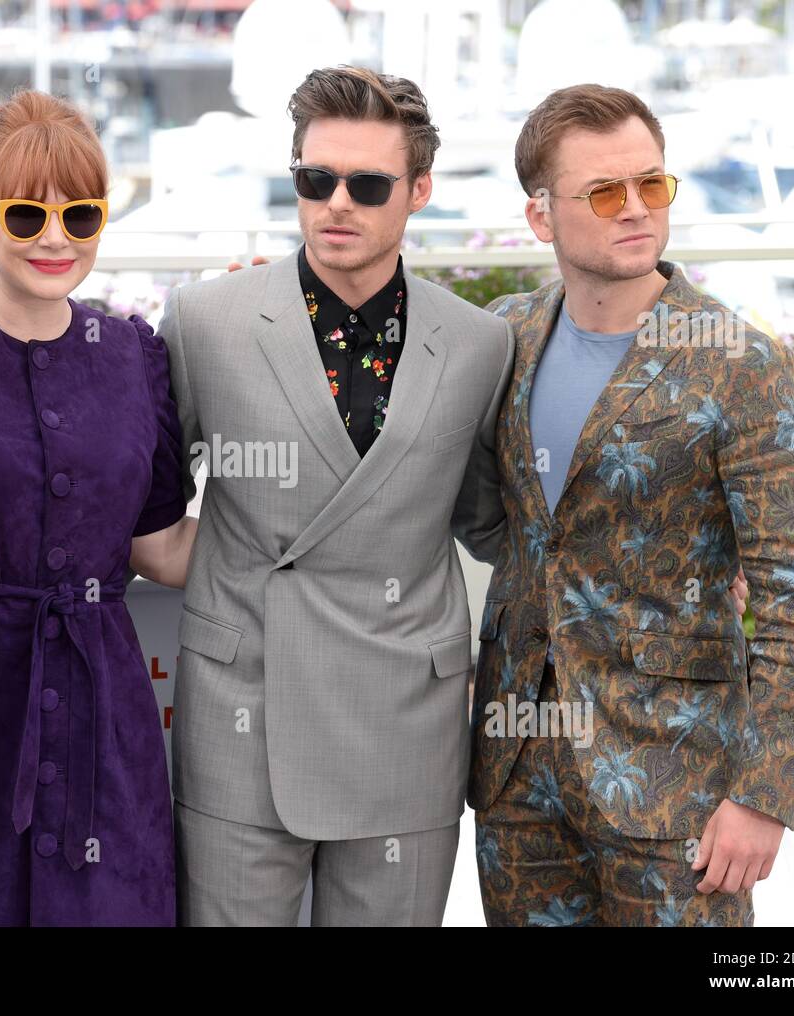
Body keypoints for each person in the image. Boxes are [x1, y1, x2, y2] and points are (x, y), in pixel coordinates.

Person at [469, 84, 794, 926]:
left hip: (679, 790)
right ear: (541, 218)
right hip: (518, 782)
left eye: (653, 185)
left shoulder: (741, 363)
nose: (635, 209)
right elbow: (476, 508)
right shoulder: (505, 337)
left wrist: (764, 794)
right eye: (603, 193)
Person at [161, 66, 513, 926]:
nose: (336, 204)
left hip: (405, 723)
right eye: (315, 181)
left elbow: (490, 522)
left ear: (419, 190)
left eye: (367, 184)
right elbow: (145, 504)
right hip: (245, 711)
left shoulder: (479, 343)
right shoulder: (205, 321)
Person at [0, 89, 194, 927]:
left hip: (109, 725)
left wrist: (316, 547)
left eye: (83, 214)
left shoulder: (135, 353)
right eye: (27, 215)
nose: (56, 238)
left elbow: (161, 545)